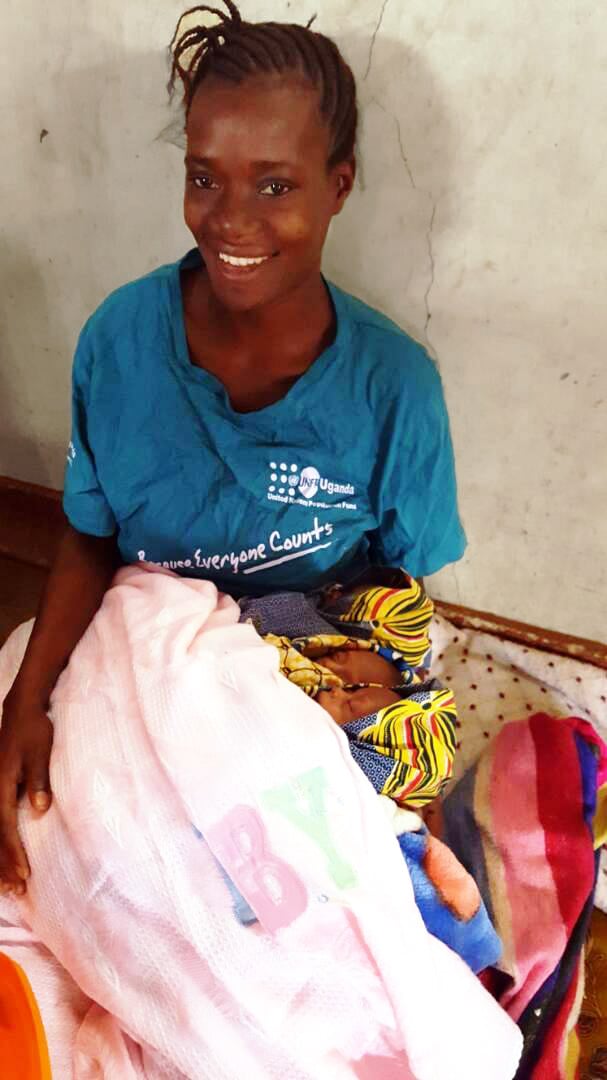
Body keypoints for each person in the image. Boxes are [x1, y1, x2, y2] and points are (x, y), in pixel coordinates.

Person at [0, 0, 466, 893]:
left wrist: (393, 767)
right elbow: (92, 535)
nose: (228, 220)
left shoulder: (392, 387)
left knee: (319, 902)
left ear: (339, 184)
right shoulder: (121, 342)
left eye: (275, 185)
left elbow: (397, 606)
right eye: (204, 178)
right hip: (141, 653)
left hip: (301, 673)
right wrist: (29, 701)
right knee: (67, 862)